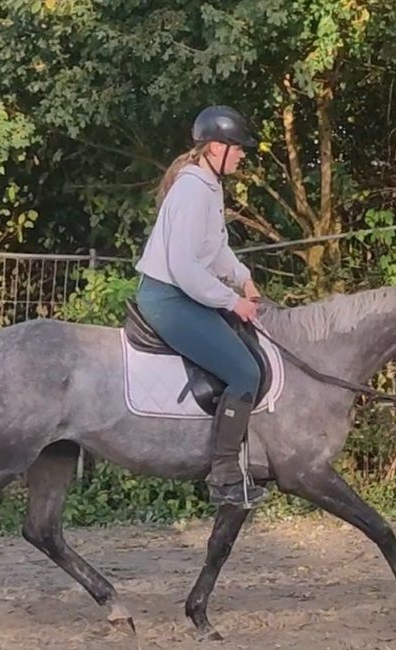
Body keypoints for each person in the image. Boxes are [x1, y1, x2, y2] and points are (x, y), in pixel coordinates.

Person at [134, 105, 267, 508]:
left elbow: (216, 248)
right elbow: (186, 268)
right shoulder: (193, 190)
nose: (242, 155)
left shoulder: (209, 184)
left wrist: (243, 277)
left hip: (183, 294)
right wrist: (232, 302)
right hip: (169, 299)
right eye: (237, 148)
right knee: (245, 371)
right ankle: (224, 476)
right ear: (214, 148)